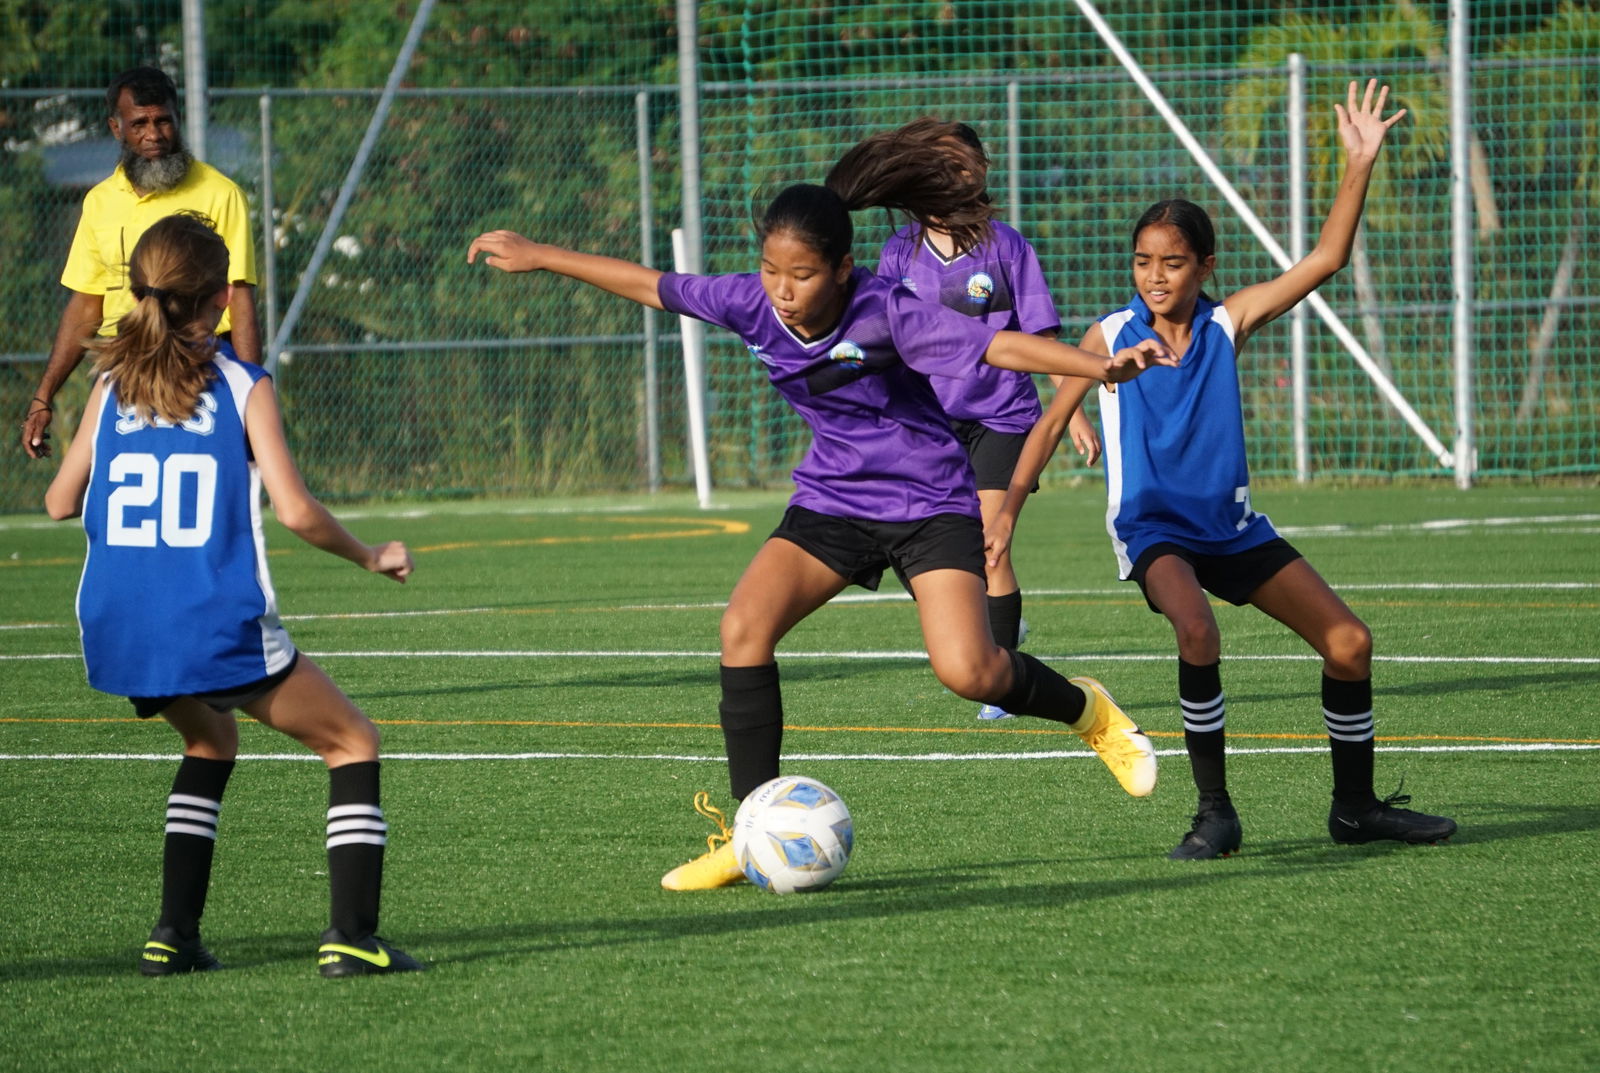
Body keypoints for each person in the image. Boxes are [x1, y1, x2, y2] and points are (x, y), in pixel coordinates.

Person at [469, 149, 1178, 892]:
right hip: (834, 497)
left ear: (842, 268)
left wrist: (1096, 367)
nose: (782, 290)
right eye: (773, 271)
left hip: (928, 500)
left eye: (802, 275)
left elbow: (996, 345)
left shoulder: (890, 311)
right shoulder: (749, 301)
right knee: (743, 629)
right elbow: (652, 285)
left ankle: (1088, 711)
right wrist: (541, 255)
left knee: (971, 671)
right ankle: (748, 836)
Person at [989, 80, 1457, 860]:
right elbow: (1044, 421)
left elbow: (1326, 258)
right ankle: (1215, 813)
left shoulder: (1224, 323)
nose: (1155, 275)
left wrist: (1358, 162)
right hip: (1155, 531)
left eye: (1173, 262)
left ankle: (1356, 807)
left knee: (1350, 642)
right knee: (1197, 629)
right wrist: (1006, 511)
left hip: (1234, 529)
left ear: (1206, 265)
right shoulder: (1107, 335)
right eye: (1143, 261)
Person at [45, 213, 421, 977]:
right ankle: (352, 936)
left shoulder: (110, 383)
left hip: (115, 628)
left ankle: (172, 935)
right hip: (208, 620)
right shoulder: (243, 384)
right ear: (219, 300)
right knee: (352, 741)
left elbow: (57, 501)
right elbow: (297, 511)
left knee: (210, 739)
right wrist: (370, 554)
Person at [854, 119, 1101, 720]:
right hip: (929, 424)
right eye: (943, 168)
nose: (958, 179)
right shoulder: (898, 251)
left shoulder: (1007, 245)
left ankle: (1005, 678)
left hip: (1002, 414)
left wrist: (1070, 410)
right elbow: (884, 336)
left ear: (981, 172)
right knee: (933, 552)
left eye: (967, 167)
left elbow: (1040, 335)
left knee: (992, 546)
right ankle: (988, 623)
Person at [22, 66, 260, 460]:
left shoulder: (221, 194)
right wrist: (44, 395)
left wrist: (251, 402)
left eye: (163, 120)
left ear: (177, 119)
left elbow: (241, 301)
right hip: (124, 371)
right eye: (140, 124)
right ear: (117, 129)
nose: (154, 135)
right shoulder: (99, 202)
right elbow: (86, 305)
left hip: (201, 371)